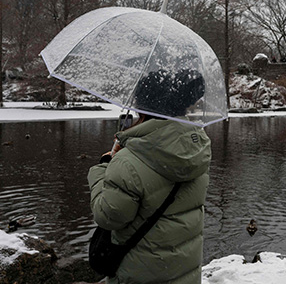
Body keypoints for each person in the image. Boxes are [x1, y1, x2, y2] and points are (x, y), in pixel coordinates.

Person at [88, 68, 211, 284]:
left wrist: (102, 169)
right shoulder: (197, 151)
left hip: (139, 275)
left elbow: (108, 216)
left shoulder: (128, 162)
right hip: (185, 274)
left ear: (142, 108)